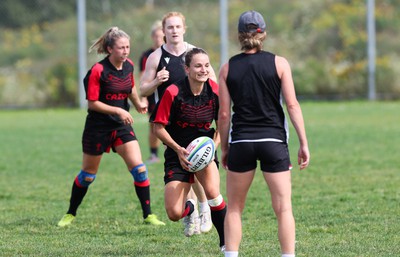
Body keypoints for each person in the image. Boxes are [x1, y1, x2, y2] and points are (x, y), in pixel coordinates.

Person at [218, 11, 310, 257]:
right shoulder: (280, 63)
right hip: (273, 141)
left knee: (235, 208)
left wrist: (225, 148)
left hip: (242, 141)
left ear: (239, 36)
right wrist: (303, 142)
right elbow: (292, 106)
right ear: (263, 33)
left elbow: (224, 115)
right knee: (283, 208)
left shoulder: (227, 68)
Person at [57, 26, 165, 227]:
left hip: (121, 127)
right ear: (109, 49)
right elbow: (93, 103)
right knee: (88, 175)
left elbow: (130, 87)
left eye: (128, 47)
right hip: (97, 127)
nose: (126, 51)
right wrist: (118, 111)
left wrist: (137, 103)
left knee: (140, 169)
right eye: (121, 48)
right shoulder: (98, 71)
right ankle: (70, 213)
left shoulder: (129, 65)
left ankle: (148, 215)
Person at [140, 12, 214, 236]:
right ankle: (193, 210)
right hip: (169, 122)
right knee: (186, 165)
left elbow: (213, 82)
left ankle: (203, 208)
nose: (173, 30)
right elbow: (142, 90)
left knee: (195, 161)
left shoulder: (194, 54)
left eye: (177, 26)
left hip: (196, 116)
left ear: (184, 29)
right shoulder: (156, 57)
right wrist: (156, 81)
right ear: (164, 30)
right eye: (169, 27)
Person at [151, 47, 226, 251]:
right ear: (187, 69)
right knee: (174, 213)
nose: (204, 70)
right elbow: (158, 127)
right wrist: (177, 149)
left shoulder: (215, 91)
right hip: (178, 154)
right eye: (198, 66)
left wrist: (212, 148)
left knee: (213, 193)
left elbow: (222, 124)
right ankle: (190, 207)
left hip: (203, 152)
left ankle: (225, 244)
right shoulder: (173, 92)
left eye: (207, 65)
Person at [138, 20, 164, 164]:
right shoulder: (147, 55)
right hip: (154, 95)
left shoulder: (171, 52)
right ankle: (154, 155)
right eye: (156, 36)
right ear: (152, 37)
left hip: (168, 94)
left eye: (161, 36)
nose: (158, 39)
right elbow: (142, 76)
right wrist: (144, 98)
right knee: (154, 126)